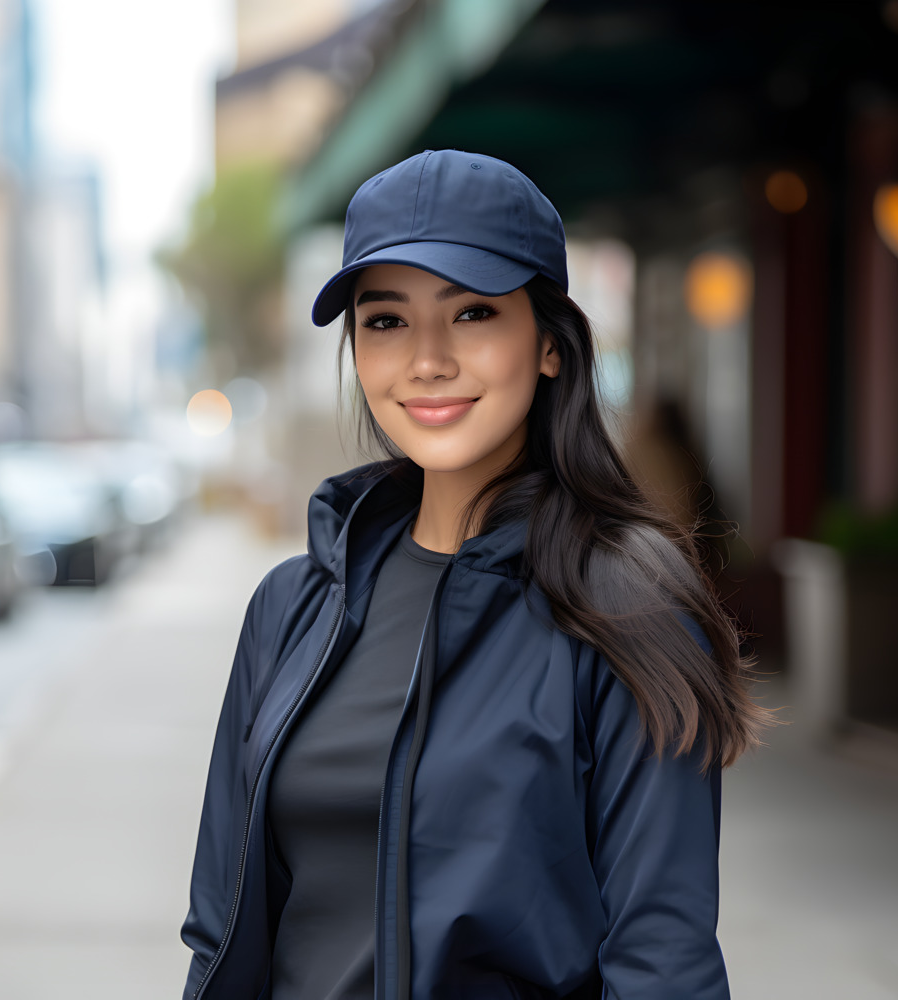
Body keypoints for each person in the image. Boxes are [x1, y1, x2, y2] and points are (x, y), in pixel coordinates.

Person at [180, 149, 771, 1000]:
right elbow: (219, 931)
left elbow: (662, 965)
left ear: (550, 348)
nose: (426, 360)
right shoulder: (292, 607)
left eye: (473, 314)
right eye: (386, 321)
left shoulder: (627, 607)